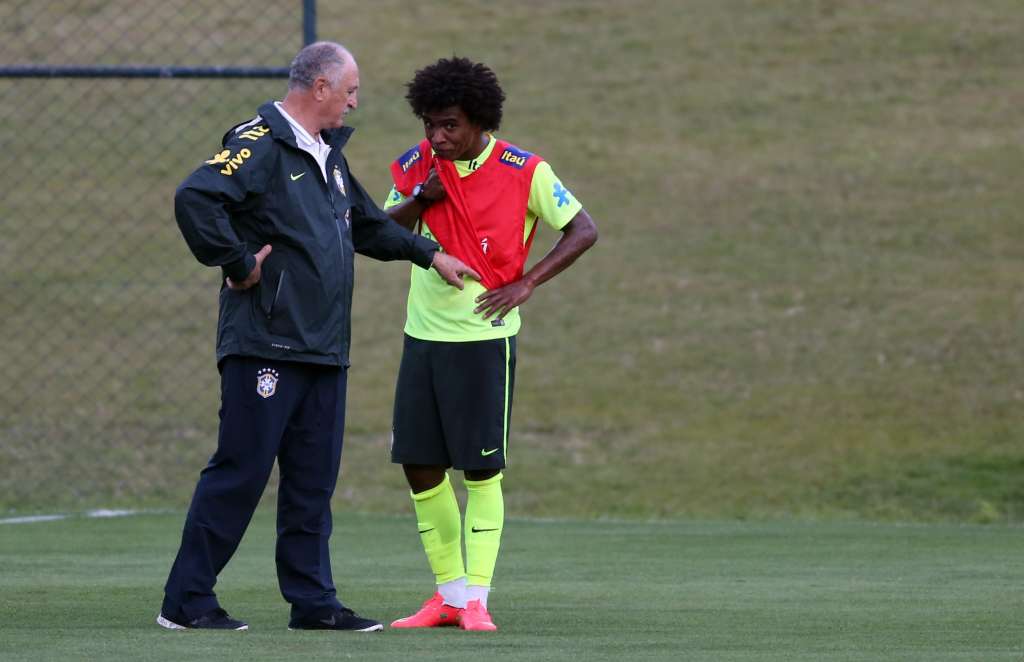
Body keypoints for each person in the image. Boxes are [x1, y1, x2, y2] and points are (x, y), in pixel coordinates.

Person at [157, 42, 479, 633]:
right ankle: (186, 600)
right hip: (265, 343)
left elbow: (367, 226)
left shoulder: (327, 155)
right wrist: (236, 262)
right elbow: (196, 197)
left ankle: (314, 603)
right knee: (241, 472)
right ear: (321, 87)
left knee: (312, 483)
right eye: (350, 90)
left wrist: (430, 254)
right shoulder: (259, 142)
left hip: (324, 349)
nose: (355, 102)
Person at [383, 57, 599, 631]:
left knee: (480, 472)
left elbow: (583, 229)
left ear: (479, 121)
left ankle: (477, 598)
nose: (437, 136)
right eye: (430, 124)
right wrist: (421, 199)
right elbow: (379, 233)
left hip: (483, 340)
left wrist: (528, 282)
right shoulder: (417, 166)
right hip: (421, 337)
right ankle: (448, 596)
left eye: (450, 125)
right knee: (420, 467)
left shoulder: (524, 169)